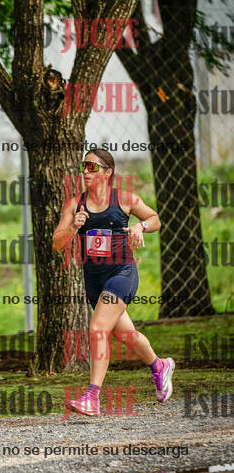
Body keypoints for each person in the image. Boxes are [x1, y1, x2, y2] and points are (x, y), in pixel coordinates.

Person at [53, 149, 175, 416]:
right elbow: (57, 243)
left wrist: (139, 227)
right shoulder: (75, 205)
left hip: (121, 274)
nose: (85, 172)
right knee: (125, 335)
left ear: (107, 172)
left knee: (98, 328)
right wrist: (73, 227)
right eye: (84, 166)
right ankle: (159, 366)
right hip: (93, 280)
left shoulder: (124, 199)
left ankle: (92, 397)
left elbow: (154, 219)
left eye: (92, 167)